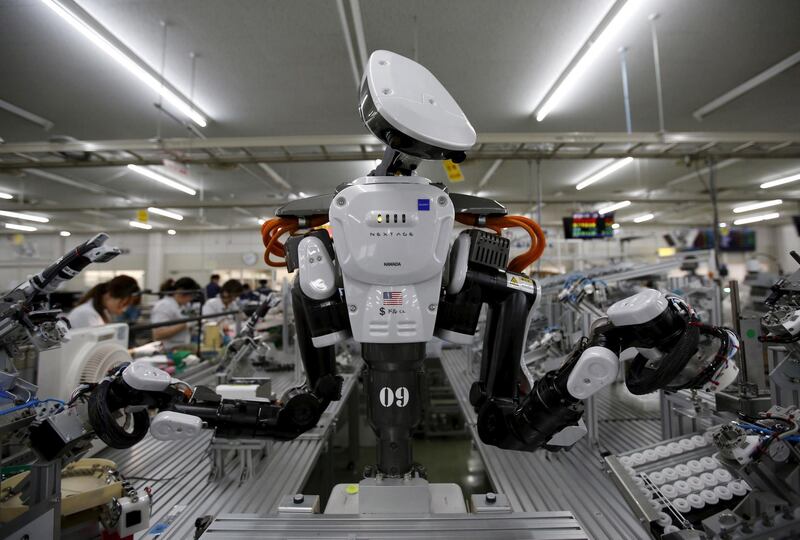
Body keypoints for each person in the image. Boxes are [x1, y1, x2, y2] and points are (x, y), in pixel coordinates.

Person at [68, 275, 141, 329]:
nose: (124, 309)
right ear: (109, 295)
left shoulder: (103, 312)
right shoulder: (85, 313)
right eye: (124, 304)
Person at [151, 277, 200, 350]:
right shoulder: (164, 305)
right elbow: (158, 334)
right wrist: (185, 324)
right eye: (191, 296)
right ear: (182, 292)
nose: (191, 299)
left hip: (181, 346)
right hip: (167, 349)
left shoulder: (183, 305)